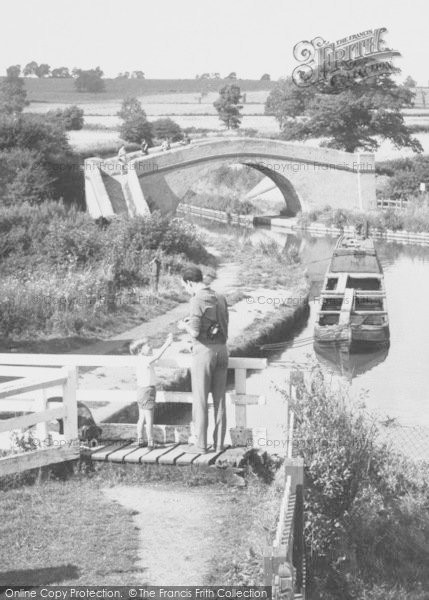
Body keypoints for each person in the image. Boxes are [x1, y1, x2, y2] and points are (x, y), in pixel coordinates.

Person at [178, 266, 229, 454]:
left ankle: (200, 446)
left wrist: (184, 327)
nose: (186, 290)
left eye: (185, 286)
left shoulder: (196, 299)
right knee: (220, 401)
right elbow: (223, 325)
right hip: (223, 351)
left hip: (204, 353)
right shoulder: (221, 297)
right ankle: (219, 445)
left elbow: (195, 331)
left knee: (200, 400)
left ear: (190, 282)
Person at [130, 333, 173, 448]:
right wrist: (167, 343)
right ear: (140, 349)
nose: (151, 346)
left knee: (141, 417)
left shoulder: (139, 359)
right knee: (149, 418)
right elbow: (157, 356)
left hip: (140, 391)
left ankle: (139, 439)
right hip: (148, 391)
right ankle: (150, 441)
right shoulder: (145, 360)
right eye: (148, 345)